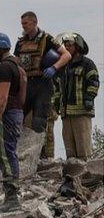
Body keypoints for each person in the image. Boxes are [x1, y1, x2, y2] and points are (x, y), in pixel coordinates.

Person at [15, 11, 71, 159]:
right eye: (22, 24)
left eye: (25, 23)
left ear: (34, 23)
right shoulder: (21, 42)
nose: (23, 26)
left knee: (39, 121)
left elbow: (66, 55)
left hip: (43, 84)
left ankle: (41, 157)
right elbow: (16, 61)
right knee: (17, 117)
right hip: (26, 84)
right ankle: (18, 154)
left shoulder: (47, 39)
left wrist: (54, 67)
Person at [0, 32, 27, 212]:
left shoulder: (4, 68)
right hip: (16, 112)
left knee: (5, 155)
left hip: (6, 114)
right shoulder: (18, 67)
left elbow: (2, 98)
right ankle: (11, 197)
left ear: (1, 48)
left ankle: (12, 198)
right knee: (9, 152)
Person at [52, 32, 98, 160]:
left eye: (69, 45)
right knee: (70, 149)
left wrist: (89, 98)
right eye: (65, 45)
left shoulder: (87, 64)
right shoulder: (63, 66)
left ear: (78, 46)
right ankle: (71, 176)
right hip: (66, 114)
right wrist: (56, 103)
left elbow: (93, 82)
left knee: (83, 148)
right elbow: (57, 87)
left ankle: (86, 176)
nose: (66, 47)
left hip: (82, 111)